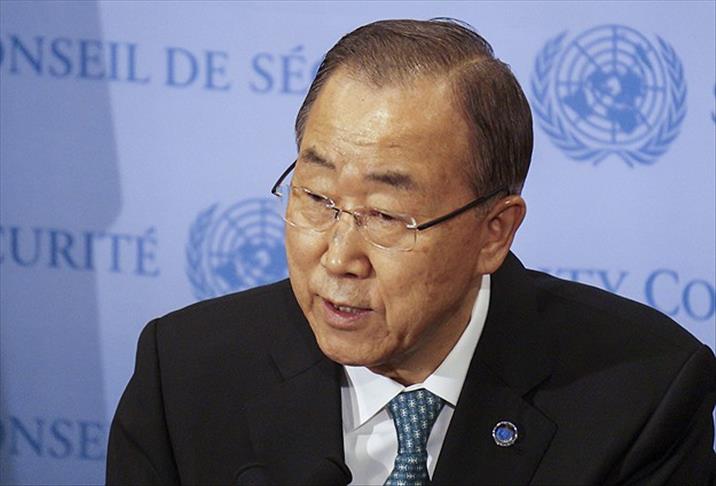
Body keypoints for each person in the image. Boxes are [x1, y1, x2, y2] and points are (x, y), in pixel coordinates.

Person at [106, 19, 716, 485]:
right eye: (316, 197)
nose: (339, 258)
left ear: (494, 232)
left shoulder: (641, 395)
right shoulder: (185, 374)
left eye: (387, 216)